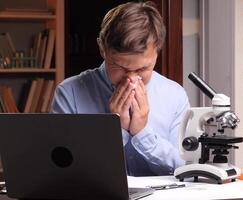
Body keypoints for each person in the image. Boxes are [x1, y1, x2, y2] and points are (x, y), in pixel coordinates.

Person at [51, 1, 189, 176]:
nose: (131, 79)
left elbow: (187, 166)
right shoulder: (70, 93)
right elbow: (66, 167)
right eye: (120, 67)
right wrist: (117, 131)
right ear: (102, 48)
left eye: (142, 69)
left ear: (157, 51)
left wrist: (142, 133)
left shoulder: (174, 95)